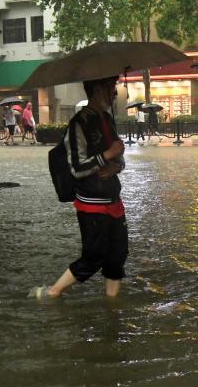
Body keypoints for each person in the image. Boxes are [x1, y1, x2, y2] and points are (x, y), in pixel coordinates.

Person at [30, 76, 127, 299]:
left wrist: (116, 166)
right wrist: (107, 155)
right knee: (93, 257)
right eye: (111, 87)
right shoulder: (79, 124)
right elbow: (76, 167)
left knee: (116, 257)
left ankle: (112, 307)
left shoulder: (108, 120)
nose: (115, 92)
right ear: (97, 89)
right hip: (92, 205)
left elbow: (119, 158)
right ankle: (52, 293)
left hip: (114, 201)